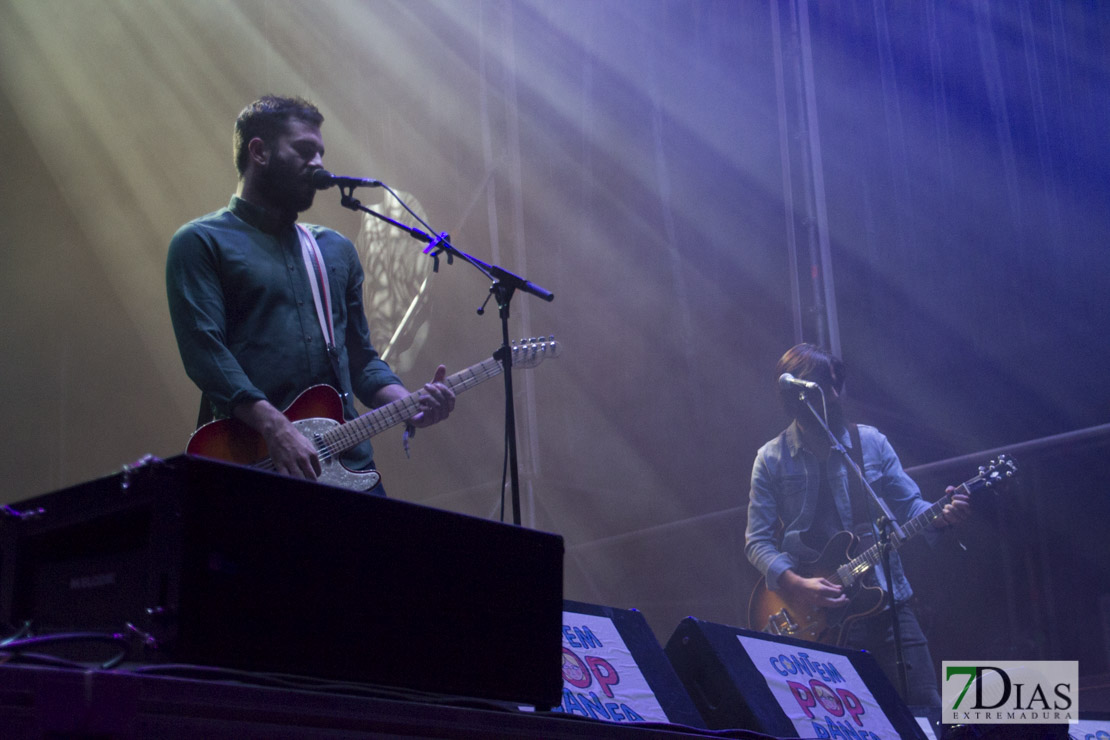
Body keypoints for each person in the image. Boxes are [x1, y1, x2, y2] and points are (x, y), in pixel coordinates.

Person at [166, 95, 454, 491]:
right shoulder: (201, 242)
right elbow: (205, 353)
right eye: (304, 150)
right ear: (259, 151)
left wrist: (408, 404)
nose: (318, 162)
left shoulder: (334, 250)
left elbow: (361, 360)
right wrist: (275, 427)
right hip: (256, 459)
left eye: (320, 152)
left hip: (346, 464)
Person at [745, 343, 970, 706]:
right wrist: (797, 584)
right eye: (825, 388)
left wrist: (941, 515)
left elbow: (910, 504)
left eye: (837, 386)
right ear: (800, 396)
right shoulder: (771, 459)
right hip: (817, 618)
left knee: (928, 709)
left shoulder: (870, 443)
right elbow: (757, 540)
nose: (836, 396)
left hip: (886, 603)